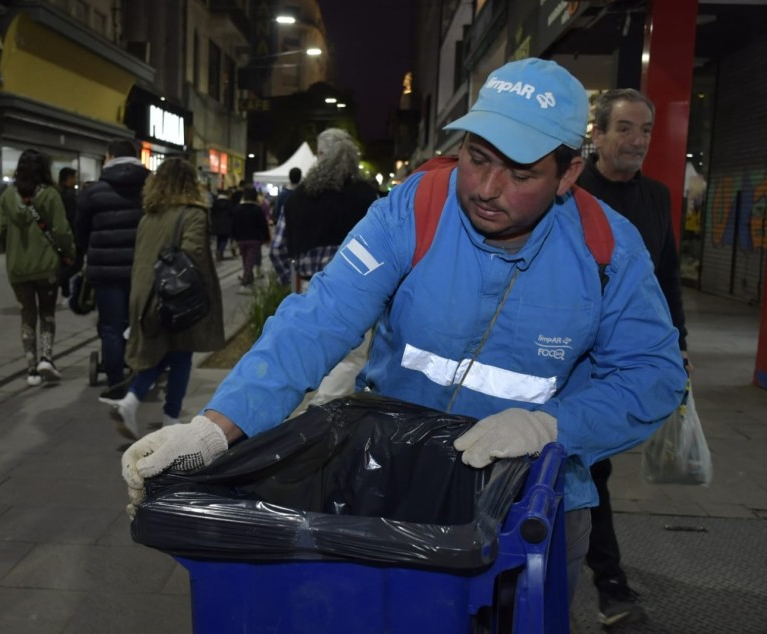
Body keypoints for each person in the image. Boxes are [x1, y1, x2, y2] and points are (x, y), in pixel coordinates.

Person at [122, 58, 687, 605]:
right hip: (388, 489)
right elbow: (319, 318)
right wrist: (215, 430)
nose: (488, 188)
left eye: (520, 173)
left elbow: (655, 374)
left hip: (531, 506)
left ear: (567, 175)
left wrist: (552, 425)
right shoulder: (415, 207)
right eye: (478, 157)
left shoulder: (606, 250)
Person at [575, 88, 690, 628]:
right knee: (589, 467)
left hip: (628, 353)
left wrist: (678, 346)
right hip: (572, 352)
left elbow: (667, 278)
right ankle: (608, 580)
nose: (637, 140)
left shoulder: (658, 197)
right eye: (624, 128)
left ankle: (596, 572)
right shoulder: (571, 190)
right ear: (595, 134)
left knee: (593, 465)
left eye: (644, 130)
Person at [110, 158, 225, 438]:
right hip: (174, 295)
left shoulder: (148, 216)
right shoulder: (193, 213)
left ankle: (132, 400)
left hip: (145, 295)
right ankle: (170, 419)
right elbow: (193, 252)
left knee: (162, 351)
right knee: (181, 354)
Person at [74, 139, 150, 402]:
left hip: (105, 272)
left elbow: (80, 232)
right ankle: (141, 374)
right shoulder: (151, 189)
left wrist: (90, 253)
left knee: (110, 327)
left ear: (110, 157)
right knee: (141, 323)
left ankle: (117, 382)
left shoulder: (93, 192)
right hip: (142, 270)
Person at [0, 149, 77, 386]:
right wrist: (69, 253)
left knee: (27, 315)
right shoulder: (50, 195)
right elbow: (61, 230)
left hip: (18, 269)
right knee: (47, 314)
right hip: (46, 267)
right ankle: (46, 359)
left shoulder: (7, 196)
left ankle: (31, 369)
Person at [272, 128, 378, 290]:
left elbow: (277, 249)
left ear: (320, 155)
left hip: (309, 291)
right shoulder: (368, 196)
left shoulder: (297, 198)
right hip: (357, 292)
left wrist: (289, 281)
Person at [231, 186, 271, 291]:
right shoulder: (257, 209)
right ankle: (244, 284)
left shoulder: (237, 209)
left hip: (241, 239)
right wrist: (267, 238)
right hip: (254, 239)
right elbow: (263, 225)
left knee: (246, 260)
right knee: (250, 261)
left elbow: (233, 225)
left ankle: (249, 280)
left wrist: (234, 238)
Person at [57, 166, 81, 300]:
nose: (75, 180)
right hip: (71, 234)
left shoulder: (58, 193)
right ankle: (59, 282)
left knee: (65, 264)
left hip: (63, 235)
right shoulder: (69, 196)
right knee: (76, 264)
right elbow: (73, 217)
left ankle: (66, 293)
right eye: (74, 178)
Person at [209, 189, 234, 261]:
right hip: (227, 224)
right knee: (224, 239)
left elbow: (212, 213)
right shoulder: (229, 203)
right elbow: (231, 213)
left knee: (219, 239)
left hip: (217, 224)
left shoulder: (215, 203)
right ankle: (220, 251)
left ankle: (218, 250)